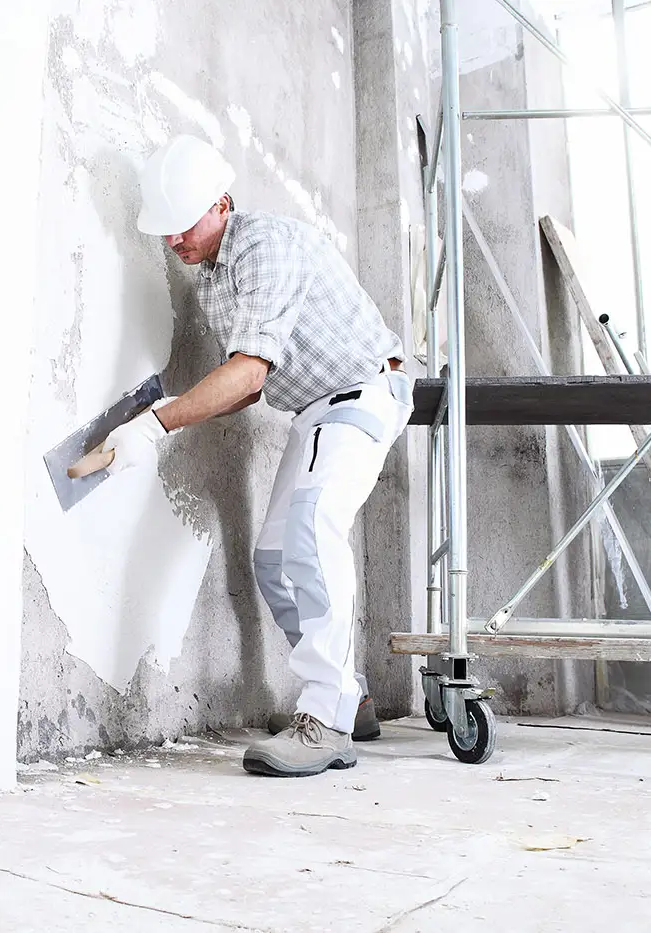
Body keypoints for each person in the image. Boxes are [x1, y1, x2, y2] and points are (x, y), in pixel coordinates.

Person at [99, 134, 414, 777]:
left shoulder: (264, 246)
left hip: (360, 393)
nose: (173, 242)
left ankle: (324, 716)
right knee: (273, 561)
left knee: (311, 528)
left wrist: (156, 424)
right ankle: (346, 695)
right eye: (163, 231)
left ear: (222, 202)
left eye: (182, 225)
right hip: (314, 410)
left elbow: (246, 376)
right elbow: (246, 387)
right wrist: (156, 416)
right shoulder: (214, 279)